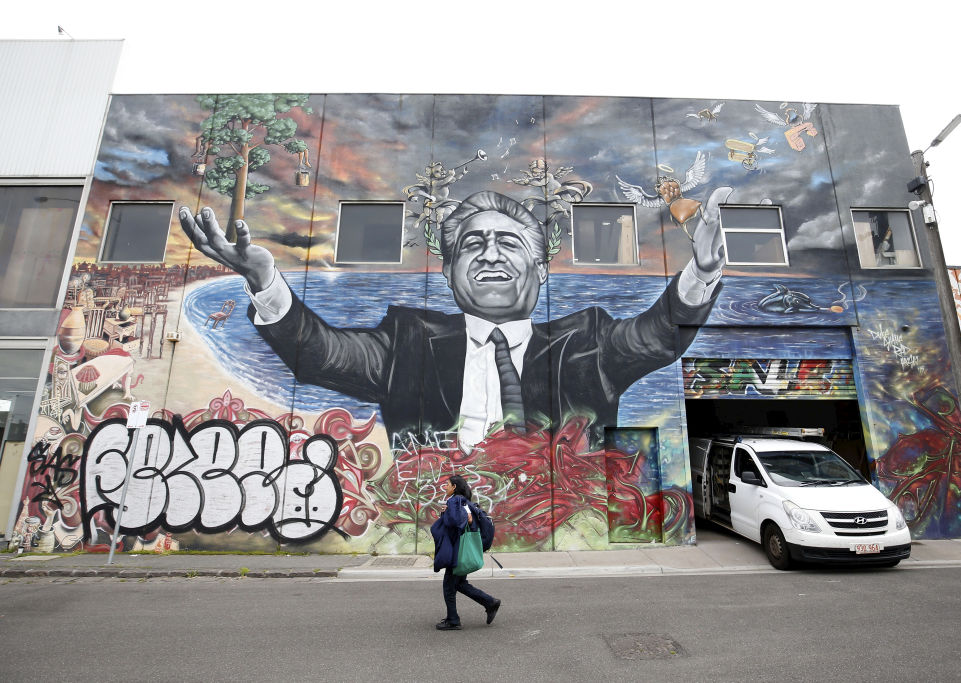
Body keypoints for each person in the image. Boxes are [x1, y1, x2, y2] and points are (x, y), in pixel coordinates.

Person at [178, 186, 730, 450]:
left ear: (540, 269)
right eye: (474, 244)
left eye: (509, 243)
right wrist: (263, 281)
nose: (490, 254)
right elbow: (320, 354)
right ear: (449, 275)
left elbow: (657, 337)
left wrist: (700, 273)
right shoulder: (407, 343)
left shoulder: (587, 343)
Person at [430, 474, 500, 630]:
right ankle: (490, 602)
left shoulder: (455, 501)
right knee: (459, 584)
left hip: (458, 551)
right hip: (462, 550)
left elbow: (456, 522)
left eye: (447, 484)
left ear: (454, 487)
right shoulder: (465, 502)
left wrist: (448, 512)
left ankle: (453, 620)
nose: (445, 486)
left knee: (449, 586)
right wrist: (447, 512)